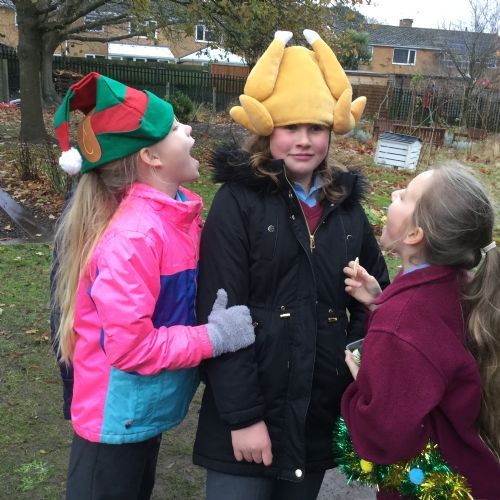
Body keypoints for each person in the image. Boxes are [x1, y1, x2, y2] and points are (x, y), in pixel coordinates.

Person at [192, 30, 389, 500]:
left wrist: (349, 356)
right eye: (290, 128)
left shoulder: (346, 210)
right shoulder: (238, 202)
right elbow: (220, 313)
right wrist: (243, 418)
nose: (304, 141)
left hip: (315, 415)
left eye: (316, 128)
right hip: (247, 419)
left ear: (331, 132)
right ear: (268, 130)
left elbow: (374, 298)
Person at [52, 72, 255, 500]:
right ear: (150, 157)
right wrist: (214, 337)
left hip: (141, 414)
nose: (189, 129)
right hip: (115, 423)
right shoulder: (135, 238)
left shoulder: (175, 217)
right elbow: (131, 349)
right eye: (175, 127)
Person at [341, 163, 500, 499]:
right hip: (472, 474)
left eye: (405, 196)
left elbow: (382, 436)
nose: (393, 193)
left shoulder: (402, 323)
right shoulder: (462, 284)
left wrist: (362, 383)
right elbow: (428, 347)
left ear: (414, 235)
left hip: (431, 487)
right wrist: (380, 304)